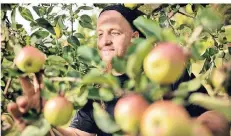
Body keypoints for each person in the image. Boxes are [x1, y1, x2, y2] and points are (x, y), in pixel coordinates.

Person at [7, 4, 229, 136]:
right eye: (100, 34)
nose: (104, 41)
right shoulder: (96, 89)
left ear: (134, 38)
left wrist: (187, 128)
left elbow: (217, 118)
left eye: (114, 32)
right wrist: (47, 126)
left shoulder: (165, 75)